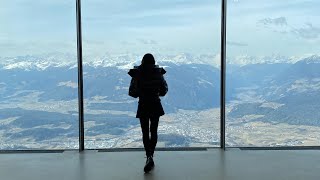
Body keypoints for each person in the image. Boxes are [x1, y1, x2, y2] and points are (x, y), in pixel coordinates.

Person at [128, 53, 168, 173]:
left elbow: (132, 92)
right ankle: (151, 155)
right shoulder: (159, 73)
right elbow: (164, 90)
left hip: (143, 104)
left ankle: (148, 156)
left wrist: (141, 92)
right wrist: (156, 93)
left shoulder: (137, 74)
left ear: (143, 61)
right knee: (153, 130)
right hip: (155, 104)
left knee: (145, 131)